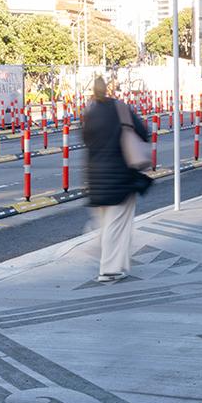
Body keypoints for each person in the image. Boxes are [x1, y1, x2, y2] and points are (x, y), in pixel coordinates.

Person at [81, 76, 152, 283]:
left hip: (95, 177)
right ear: (109, 89)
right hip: (120, 177)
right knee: (117, 225)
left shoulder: (89, 113)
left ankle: (115, 263)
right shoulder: (121, 109)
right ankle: (110, 269)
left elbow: (87, 141)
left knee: (107, 225)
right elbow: (143, 132)